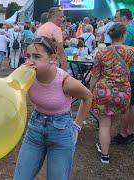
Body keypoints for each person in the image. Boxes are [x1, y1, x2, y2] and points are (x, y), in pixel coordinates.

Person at [14, 36, 92, 180]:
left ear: (53, 59)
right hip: (34, 129)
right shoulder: (27, 76)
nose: (30, 61)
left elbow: (88, 97)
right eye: (28, 56)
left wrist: (77, 126)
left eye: (36, 56)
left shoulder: (65, 81)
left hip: (61, 132)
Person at [90, 23, 134, 164]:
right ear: (124, 35)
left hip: (104, 92)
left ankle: (105, 155)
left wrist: (90, 92)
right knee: (114, 121)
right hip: (123, 93)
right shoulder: (131, 51)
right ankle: (105, 146)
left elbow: (95, 76)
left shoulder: (102, 52)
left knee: (104, 123)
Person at [113, 8, 134, 144]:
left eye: (116, 17)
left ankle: (124, 133)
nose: (115, 20)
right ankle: (130, 131)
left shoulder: (129, 31)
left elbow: (119, 51)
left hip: (130, 71)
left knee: (128, 104)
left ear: (124, 19)